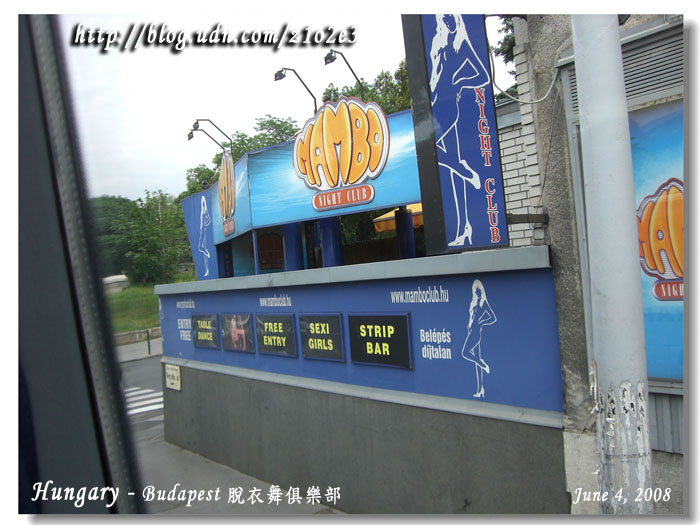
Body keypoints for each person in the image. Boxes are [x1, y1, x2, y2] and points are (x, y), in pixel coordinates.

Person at [428, 14, 490, 246]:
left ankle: (463, 169)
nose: (448, 22)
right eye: (444, 19)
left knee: (428, 150)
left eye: (451, 18)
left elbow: (483, 75)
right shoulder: (438, 42)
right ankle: (464, 229)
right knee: (454, 175)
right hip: (435, 105)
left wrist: (461, 82)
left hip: (448, 107)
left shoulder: (460, 43)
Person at [461, 279, 497, 398]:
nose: (478, 292)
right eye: (476, 290)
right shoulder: (473, 302)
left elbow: (493, 318)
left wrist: (482, 322)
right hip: (471, 331)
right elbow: (471, 318)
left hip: (476, 332)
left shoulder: (483, 303)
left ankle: (482, 363)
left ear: (482, 290)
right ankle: (480, 389)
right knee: (477, 363)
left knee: (465, 352)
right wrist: (468, 325)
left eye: (479, 290)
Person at [198, 195, 212, 276]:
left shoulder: (205, 212)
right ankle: (207, 270)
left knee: (200, 247)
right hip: (201, 230)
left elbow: (209, 220)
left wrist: (205, 225)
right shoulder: (202, 212)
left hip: (203, 230)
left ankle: (206, 252)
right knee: (202, 250)